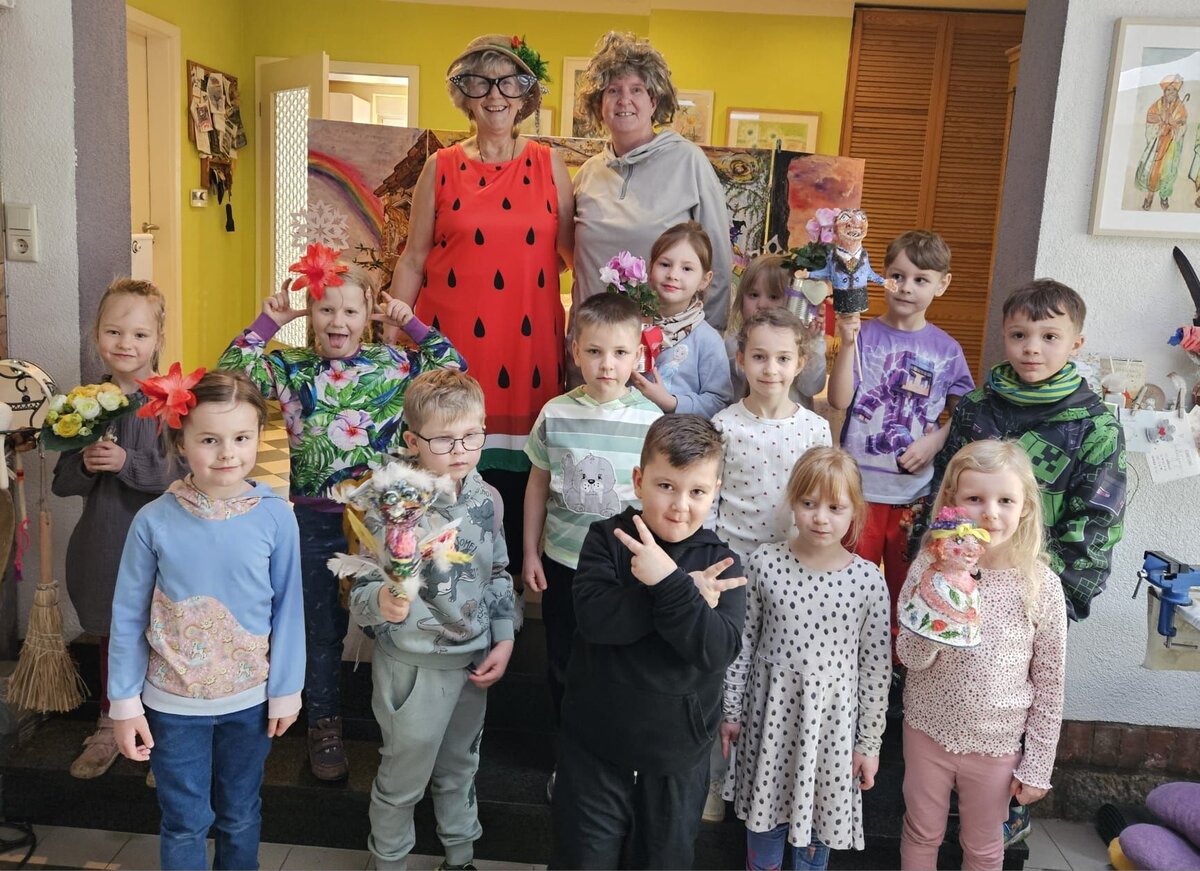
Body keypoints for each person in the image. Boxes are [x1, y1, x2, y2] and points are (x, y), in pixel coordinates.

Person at [219, 261, 464, 781]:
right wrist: (267, 324)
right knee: (321, 628)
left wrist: (410, 323)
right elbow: (229, 375)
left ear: (369, 313)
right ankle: (324, 723)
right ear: (311, 312)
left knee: (393, 620)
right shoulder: (289, 367)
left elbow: (453, 368)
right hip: (316, 524)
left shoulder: (395, 363)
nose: (338, 321)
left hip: (387, 524)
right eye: (326, 309)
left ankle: (401, 722)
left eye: (351, 311)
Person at [388, 34, 575, 581]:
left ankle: (503, 601)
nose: (495, 95)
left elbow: (575, 256)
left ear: (525, 96)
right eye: (481, 83)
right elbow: (413, 258)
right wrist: (391, 339)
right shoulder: (440, 166)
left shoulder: (551, 165)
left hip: (527, 346)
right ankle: (437, 598)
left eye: (508, 83)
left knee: (520, 480)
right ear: (464, 95)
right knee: (442, 476)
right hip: (450, 347)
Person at [108, 370, 305, 871]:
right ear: (181, 440)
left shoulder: (276, 516)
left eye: (241, 438)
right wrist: (124, 703)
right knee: (184, 821)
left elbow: (289, 607)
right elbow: (128, 615)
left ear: (258, 438)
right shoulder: (153, 519)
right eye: (210, 440)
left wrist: (287, 689)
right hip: (172, 706)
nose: (227, 454)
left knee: (240, 814)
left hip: (250, 702)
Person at [551, 414, 747, 870]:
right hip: (595, 751)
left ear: (715, 491)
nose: (680, 505)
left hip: (677, 760)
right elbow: (598, 621)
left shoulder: (721, 563)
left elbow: (716, 650)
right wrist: (677, 591)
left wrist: (669, 584)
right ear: (639, 481)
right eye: (665, 486)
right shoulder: (607, 539)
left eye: (697, 492)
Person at [347, 369, 515, 871]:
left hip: (473, 662)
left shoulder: (488, 499)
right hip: (413, 668)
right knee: (403, 779)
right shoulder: (391, 504)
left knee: (461, 768)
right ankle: (389, 862)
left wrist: (503, 638)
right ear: (413, 440)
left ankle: (460, 857)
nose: (460, 450)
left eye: (472, 435)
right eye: (443, 440)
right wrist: (383, 600)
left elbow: (499, 573)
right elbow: (359, 590)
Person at [897, 440, 1066, 870]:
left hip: (997, 743)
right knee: (921, 831)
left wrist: (1038, 765)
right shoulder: (929, 568)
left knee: (984, 845)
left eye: (1005, 500)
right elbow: (909, 656)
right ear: (951, 504)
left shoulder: (1041, 585)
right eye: (975, 499)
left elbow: (1050, 684)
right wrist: (941, 608)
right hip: (928, 730)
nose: (990, 513)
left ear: (1025, 507)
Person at [720, 447, 890, 871]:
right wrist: (731, 711)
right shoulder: (765, 563)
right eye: (809, 503)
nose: (820, 518)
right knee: (764, 835)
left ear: (855, 511)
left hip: (830, 736)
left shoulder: (868, 581)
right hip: (769, 726)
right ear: (793, 501)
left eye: (835, 507)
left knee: (814, 845)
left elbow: (875, 671)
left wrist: (868, 744)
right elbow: (744, 642)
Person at [924, 279, 1126, 624]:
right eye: (1019, 335)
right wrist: (937, 561)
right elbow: (942, 491)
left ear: (1076, 344)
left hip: (1034, 598)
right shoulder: (975, 408)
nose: (1031, 348)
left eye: (1049, 337)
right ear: (1004, 335)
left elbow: (1096, 526)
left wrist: (1052, 602)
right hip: (957, 581)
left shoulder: (1096, 429)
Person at [703, 308, 832, 823]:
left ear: (800, 362)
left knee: (772, 676)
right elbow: (711, 499)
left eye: (782, 358)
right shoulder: (724, 425)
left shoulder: (815, 429)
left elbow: (823, 499)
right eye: (759, 357)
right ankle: (715, 778)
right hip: (734, 566)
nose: (770, 369)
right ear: (741, 360)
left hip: (791, 572)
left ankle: (766, 782)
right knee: (725, 671)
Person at [52, 278, 183, 780]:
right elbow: (62, 482)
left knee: (165, 637)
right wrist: (85, 464)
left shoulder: (172, 401)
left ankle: (165, 733)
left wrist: (130, 463)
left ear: (158, 339)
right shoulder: (83, 404)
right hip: (107, 542)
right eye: (113, 332)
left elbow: (187, 474)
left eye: (140, 334)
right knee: (116, 634)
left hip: (164, 548)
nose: (126, 343)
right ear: (97, 335)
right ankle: (111, 723)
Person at [522, 293, 662, 744]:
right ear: (575, 351)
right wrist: (530, 553)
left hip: (624, 569)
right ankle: (568, 752)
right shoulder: (555, 412)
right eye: (595, 351)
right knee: (563, 659)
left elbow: (658, 497)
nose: (607, 364)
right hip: (564, 562)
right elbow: (538, 484)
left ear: (637, 356)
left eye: (620, 353)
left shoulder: (651, 421)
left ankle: (612, 751)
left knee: (618, 661)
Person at [828, 230, 973, 635]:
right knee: (848, 591)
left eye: (920, 279)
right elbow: (839, 400)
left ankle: (897, 666)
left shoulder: (948, 350)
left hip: (914, 497)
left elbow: (966, 412)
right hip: (858, 493)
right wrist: (847, 343)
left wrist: (935, 441)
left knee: (907, 592)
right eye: (897, 276)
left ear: (942, 284)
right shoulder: (864, 336)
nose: (906, 287)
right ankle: (847, 659)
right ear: (882, 276)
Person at [571, 31, 732, 333]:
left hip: (666, 346)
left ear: (654, 101)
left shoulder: (689, 162)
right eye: (613, 90)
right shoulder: (588, 174)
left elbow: (718, 266)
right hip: (592, 344)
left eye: (637, 90)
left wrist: (707, 341)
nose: (624, 100)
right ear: (599, 104)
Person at [631, 221, 733, 417]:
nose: (673, 275)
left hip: (677, 434)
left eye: (686, 268)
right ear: (650, 269)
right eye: (665, 264)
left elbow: (720, 402)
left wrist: (671, 403)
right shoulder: (629, 326)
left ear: (705, 280)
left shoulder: (707, 340)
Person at [725, 254, 827, 409]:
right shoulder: (734, 342)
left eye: (773, 297)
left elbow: (812, 387)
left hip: (793, 423)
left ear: (792, 300)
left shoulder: (804, 340)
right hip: (746, 421)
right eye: (754, 295)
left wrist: (811, 343)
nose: (762, 304)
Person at [1134, 73, 1187, 211]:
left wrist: (1174, 124)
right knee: (1153, 171)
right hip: (1157, 144)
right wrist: (1162, 121)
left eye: (1173, 90)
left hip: (1171, 145)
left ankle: (1164, 196)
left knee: (1168, 172)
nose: (1171, 92)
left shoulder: (1180, 107)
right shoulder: (1157, 104)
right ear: (1164, 91)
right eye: (1168, 89)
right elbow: (1150, 117)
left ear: (1177, 91)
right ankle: (1149, 197)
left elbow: (1182, 124)